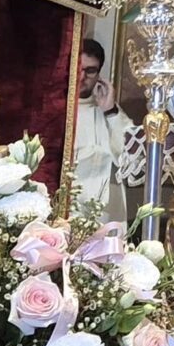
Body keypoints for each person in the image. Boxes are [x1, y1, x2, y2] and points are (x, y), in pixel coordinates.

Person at [67, 39, 141, 222]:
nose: (82, 76)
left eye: (90, 71)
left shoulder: (110, 109)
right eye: (78, 68)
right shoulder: (55, 110)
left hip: (106, 211)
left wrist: (110, 111)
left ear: (99, 74)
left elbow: (132, 156)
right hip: (68, 205)